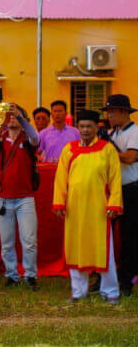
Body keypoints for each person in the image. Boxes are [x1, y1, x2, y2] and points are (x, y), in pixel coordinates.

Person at [53, 110, 122, 304]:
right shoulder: (69, 149)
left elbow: (115, 179)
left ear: (96, 127)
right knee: (76, 248)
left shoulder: (107, 149)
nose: (85, 130)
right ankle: (78, 292)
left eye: (89, 126)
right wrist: (59, 202)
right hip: (74, 209)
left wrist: (114, 204)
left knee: (103, 249)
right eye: (81, 126)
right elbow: (60, 179)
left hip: (99, 208)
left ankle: (110, 292)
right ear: (78, 128)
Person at [0, 105, 40, 289]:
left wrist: (21, 118)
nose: (12, 118)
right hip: (3, 197)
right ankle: (12, 275)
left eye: (15, 116)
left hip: (25, 197)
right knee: (6, 242)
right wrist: (1, 120)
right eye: (9, 116)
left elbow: (36, 137)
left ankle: (30, 275)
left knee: (29, 240)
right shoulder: (0, 139)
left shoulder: (27, 139)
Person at [104, 94, 138, 297]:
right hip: (113, 189)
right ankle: (107, 276)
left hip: (131, 188)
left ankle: (126, 279)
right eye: (108, 112)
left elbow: (130, 157)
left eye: (113, 111)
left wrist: (107, 148)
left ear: (124, 112)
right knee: (108, 235)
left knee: (129, 236)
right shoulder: (112, 132)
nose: (109, 115)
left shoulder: (134, 132)